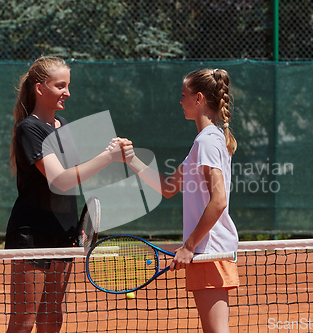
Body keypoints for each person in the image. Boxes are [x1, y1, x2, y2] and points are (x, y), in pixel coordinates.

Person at [6, 56, 124, 333]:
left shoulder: (64, 125)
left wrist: (80, 222)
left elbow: (75, 177)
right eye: (61, 86)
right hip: (31, 233)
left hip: (65, 231)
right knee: (24, 321)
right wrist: (108, 156)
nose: (67, 93)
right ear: (39, 88)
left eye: (68, 86)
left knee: (52, 317)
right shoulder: (29, 129)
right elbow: (59, 179)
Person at [118, 68, 239, 333]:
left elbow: (218, 201)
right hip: (207, 252)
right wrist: (131, 159)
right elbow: (169, 187)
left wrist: (190, 246)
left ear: (198, 99)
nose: (180, 101)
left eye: (183, 95)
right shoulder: (206, 141)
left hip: (208, 252)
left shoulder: (207, 141)